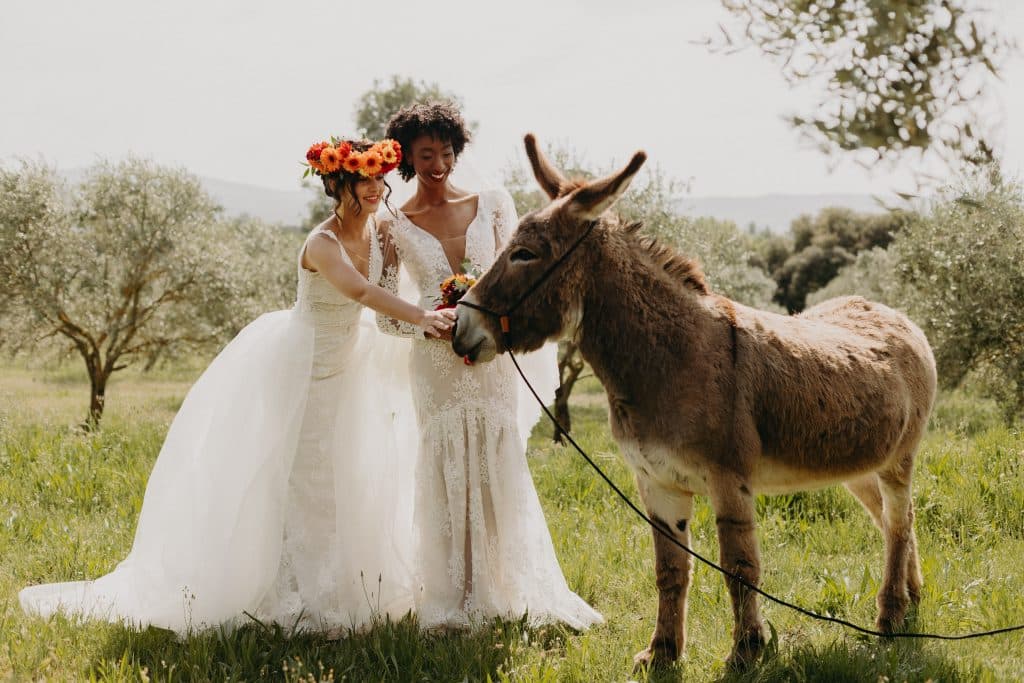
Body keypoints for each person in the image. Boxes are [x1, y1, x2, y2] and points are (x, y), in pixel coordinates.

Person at [19, 137, 454, 635]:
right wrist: (423, 316)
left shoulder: (383, 233)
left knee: (354, 473)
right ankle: (300, 598)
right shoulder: (321, 243)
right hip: (305, 367)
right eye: (364, 180)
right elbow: (359, 290)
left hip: (353, 365)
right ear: (338, 183)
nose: (376, 188)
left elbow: (389, 295)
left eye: (380, 178)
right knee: (308, 482)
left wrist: (438, 311)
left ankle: (352, 590)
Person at [377, 102, 602, 630]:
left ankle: (505, 583)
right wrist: (427, 322)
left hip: (493, 355)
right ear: (407, 156)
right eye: (426, 153)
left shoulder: (495, 203)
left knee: (496, 455)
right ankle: (452, 590)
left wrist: (500, 322)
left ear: (458, 151)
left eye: (446, 150)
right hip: (434, 364)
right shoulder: (392, 226)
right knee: (447, 459)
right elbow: (386, 314)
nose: (438, 162)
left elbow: (519, 279)